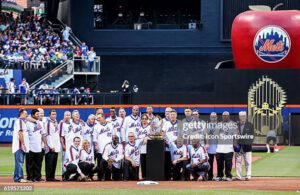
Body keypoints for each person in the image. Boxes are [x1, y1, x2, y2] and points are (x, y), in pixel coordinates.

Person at [215, 111, 238, 181]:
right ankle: (219, 176)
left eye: (226, 115)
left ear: (229, 116)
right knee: (219, 163)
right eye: (223, 115)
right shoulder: (218, 124)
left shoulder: (233, 124)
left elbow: (236, 136)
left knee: (228, 163)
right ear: (222, 116)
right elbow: (215, 135)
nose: (224, 117)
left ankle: (228, 176)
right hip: (219, 147)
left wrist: (234, 144)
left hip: (229, 147)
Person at [93, 113, 114, 180]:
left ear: (103, 117)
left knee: (109, 163)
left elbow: (114, 135)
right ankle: (100, 177)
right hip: (100, 147)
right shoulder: (96, 126)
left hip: (109, 148)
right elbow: (95, 137)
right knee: (100, 163)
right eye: (97, 118)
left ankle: (108, 177)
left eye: (99, 118)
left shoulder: (110, 124)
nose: (98, 119)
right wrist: (96, 145)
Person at [26, 109, 45, 182]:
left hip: (38, 146)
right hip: (30, 146)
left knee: (38, 163)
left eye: (39, 114)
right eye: (37, 114)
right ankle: (30, 177)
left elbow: (43, 134)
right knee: (30, 164)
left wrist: (45, 144)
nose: (38, 115)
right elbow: (26, 117)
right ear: (33, 115)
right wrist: (36, 121)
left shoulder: (40, 123)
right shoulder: (27, 123)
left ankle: (37, 177)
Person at [234, 111, 254, 181]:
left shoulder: (250, 125)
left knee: (248, 162)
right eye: (241, 116)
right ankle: (238, 176)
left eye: (244, 116)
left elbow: (252, 136)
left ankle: (248, 176)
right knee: (238, 162)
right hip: (238, 146)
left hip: (247, 146)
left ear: (246, 117)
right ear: (239, 117)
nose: (242, 117)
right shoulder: (236, 125)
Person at [12, 109, 29, 183]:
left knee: (19, 162)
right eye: (25, 113)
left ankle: (17, 177)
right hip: (19, 145)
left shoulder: (21, 121)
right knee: (20, 162)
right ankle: (19, 178)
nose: (27, 115)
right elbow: (20, 133)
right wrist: (23, 144)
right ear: (21, 113)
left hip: (19, 145)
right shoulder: (20, 121)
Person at [162, 110, 178, 180]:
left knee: (176, 162)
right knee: (168, 161)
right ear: (169, 116)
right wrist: (165, 140)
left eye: (174, 115)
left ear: (176, 115)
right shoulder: (166, 123)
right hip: (168, 144)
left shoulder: (180, 123)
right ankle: (167, 177)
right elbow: (163, 132)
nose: (172, 116)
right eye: (171, 115)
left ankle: (175, 176)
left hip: (177, 145)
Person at [45, 110, 61, 181]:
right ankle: (49, 177)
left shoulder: (55, 122)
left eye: (55, 114)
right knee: (49, 163)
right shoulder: (48, 123)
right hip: (51, 147)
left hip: (56, 146)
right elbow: (48, 135)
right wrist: (51, 146)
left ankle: (52, 177)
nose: (54, 115)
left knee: (54, 163)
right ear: (49, 115)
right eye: (52, 114)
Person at [205, 112, 219, 181]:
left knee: (219, 162)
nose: (213, 117)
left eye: (214, 116)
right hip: (210, 146)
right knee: (210, 162)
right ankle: (210, 176)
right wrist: (207, 143)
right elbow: (207, 135)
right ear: (210, 117)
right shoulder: (208, 125)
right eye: (212, 116)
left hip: (218, 146)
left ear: (216, 117)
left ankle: (219, 176)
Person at [138, 114, 151, 180]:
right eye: (143, 119)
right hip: (141, 147)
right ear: (141, 120)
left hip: (148, 147)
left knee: (148, 163)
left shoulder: (149, 127)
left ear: (147, 119)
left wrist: (147, 137)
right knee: (142, 163)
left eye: (145, 119)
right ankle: (143, 176)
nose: (144, 120)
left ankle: (148, 176)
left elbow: (152, 136)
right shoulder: (139, 128)